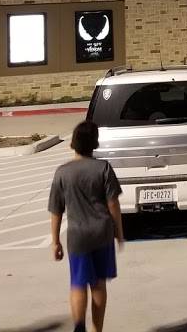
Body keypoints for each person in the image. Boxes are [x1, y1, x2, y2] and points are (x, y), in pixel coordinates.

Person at [48, 121, 124, 332]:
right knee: (98, 284)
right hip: (102, 233)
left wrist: (55, 241)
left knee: (78, 283)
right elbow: (113, 204)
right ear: (95, 143)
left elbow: (56, 210)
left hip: (77, 236)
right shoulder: (103, 168)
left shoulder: (62, 172)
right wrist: (119, 232)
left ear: (72, 143)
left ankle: (79, 326)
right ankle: (96, 329)